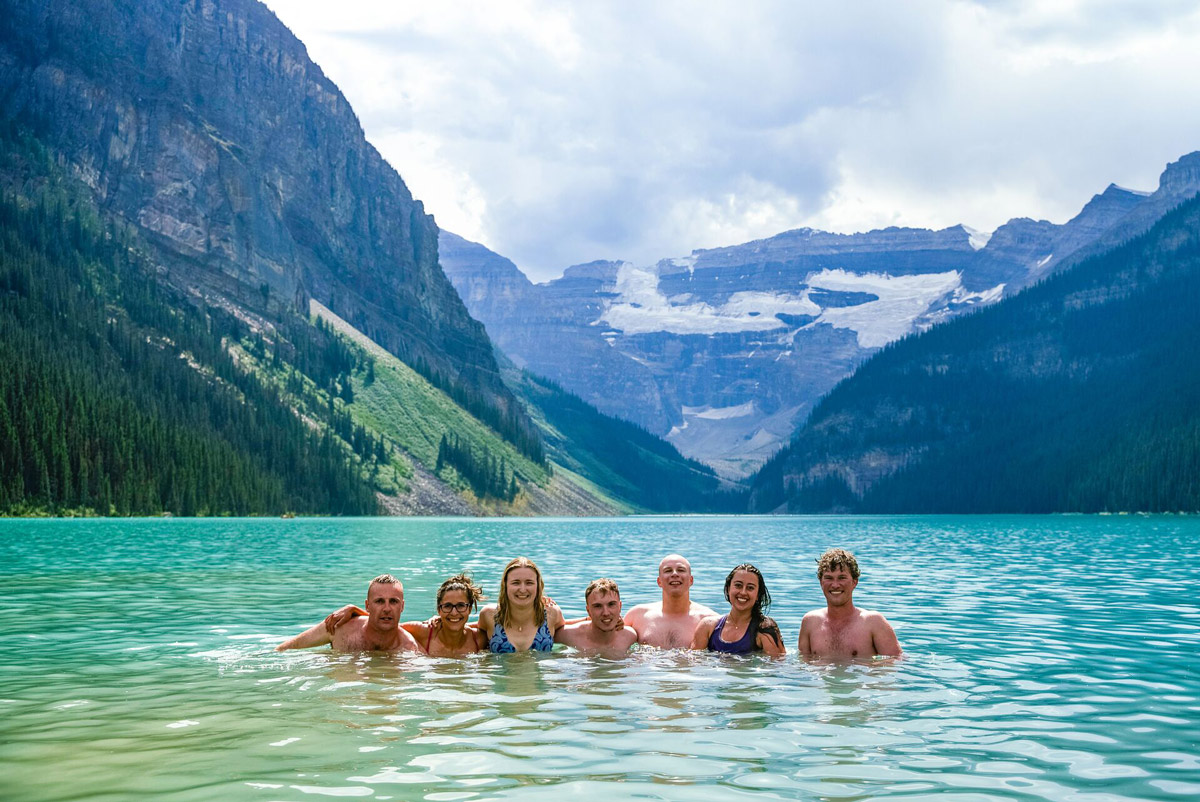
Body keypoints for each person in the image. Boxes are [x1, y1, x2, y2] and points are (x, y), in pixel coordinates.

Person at [322, 573, 487, 657]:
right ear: (438, 609)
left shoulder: (479, 639)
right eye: (447, 606)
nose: (454, 613)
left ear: (470, 608)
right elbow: (386, 624)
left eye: (461, 606)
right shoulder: (423, 631)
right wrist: (354, 610)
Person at [275, 574, 421, 653]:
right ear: (367, 606)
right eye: (379, 601)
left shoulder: (408, 648)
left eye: (393, 602)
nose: (387, 608)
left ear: (402, 606)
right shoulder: (338, 627)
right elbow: (283, 650)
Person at [798, 548, 901, 659]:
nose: (835, 585)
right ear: (821, 582)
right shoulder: (810, 622)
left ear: (854, 582)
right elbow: (803, 665)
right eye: (829, 578)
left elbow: (897, 662)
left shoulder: (873, 622)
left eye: (842, 578)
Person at [623, 554, 717, 649]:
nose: (675, 574)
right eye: (668, 571)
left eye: (681, 570)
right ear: (659, 581)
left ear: (691, 580)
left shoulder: (710, 621)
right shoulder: (636, 616)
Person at [690, 563, 785, 656]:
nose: (743, 592)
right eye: (738, 585)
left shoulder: (765, 628)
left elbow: (777, 666)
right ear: (728, 589)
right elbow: (694, 663)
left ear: (758, 595)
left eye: (750, 588)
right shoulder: (707, 626)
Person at [477, 556, 566, 652]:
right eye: (516, 583)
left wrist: (585, 619)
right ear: (505, 585)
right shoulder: (489, 615)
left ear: (538, 585)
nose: (523, 589)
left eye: (529, 583)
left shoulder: (552, 613)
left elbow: (568, 627)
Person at [555, 578, 639, 657]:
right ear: (588, 610)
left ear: (620, 606)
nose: (606, 613)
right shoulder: (567, 636)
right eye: (598, 606)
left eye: (611, 604)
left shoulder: (630, 637)